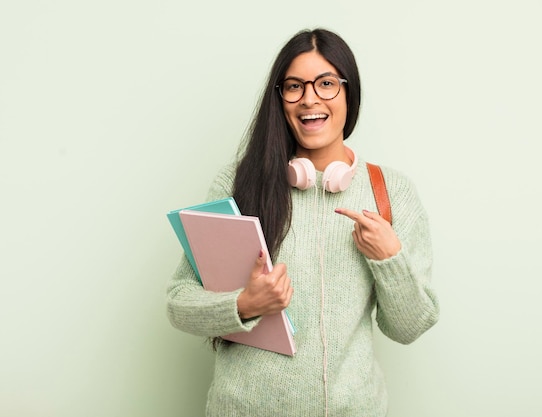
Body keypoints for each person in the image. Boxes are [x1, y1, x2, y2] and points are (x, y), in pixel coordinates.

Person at [166, 27, 439, 417]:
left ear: (350, 92)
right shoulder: (239, 184)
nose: (309, 98)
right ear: (280, 99)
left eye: (326, 83)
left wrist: (389, 258)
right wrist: (245, 304)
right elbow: (179, 303)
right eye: (294, 86)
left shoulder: (391, 193)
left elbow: (408, 328)